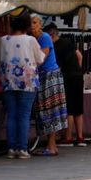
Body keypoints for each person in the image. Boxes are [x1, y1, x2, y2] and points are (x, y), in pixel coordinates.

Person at [0, 16, 44, 160]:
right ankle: (23, 149)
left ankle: (11, 149)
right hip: (27, 82)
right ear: (26, 27)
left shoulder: (3, 40)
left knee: (11, 115)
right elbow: (40, 59)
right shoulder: (31, 40)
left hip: (8, 81)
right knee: (24, 115)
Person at [32, 17, 67, 156]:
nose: (32, 25)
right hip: (43, 76)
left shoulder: (45, 37)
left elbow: (42, 58)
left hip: (50, 76)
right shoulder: (33, 39)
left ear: (40, 25)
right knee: (46, 110)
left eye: (35, 22)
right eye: (30, 22)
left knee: (50, 111)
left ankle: (51, 146)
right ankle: (52, 146)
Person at [58, 34, 87, 147]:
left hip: (67, 77)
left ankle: (68, 137)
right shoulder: (68, 43)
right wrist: (78, 69)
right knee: (78, 108)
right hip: (78, 77)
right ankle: (80, 137)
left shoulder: (56, 46)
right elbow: (80, 56)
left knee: (69, 108)